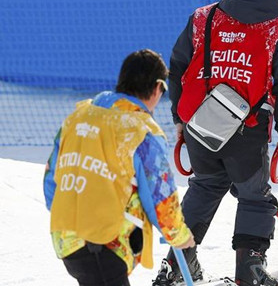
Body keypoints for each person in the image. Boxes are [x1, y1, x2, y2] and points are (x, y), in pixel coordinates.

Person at [153, 0, 278, 286]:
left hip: (198, 123)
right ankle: (250, 271)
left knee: (205, 186)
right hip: (246, 130)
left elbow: (177, 68)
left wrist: (180, 117)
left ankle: (175, 267)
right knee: (255, 198)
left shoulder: (203, 17)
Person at [43, 49, 195, 286]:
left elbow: (52, 180)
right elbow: (159, 197)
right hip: (103, 242)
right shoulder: (141, 130)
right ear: (156, 88)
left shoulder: (78, 118)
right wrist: (178, 235)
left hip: (66, 237)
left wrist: (72, 215)